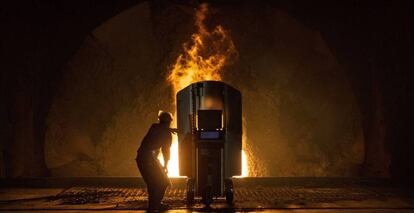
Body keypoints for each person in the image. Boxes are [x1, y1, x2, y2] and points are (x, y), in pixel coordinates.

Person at [136, 111, 173, 212]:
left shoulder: (154, 128)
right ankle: (154, 206)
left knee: (153, 184)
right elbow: (166, 151)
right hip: (148, 159)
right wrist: (165, 165)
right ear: (170, 122)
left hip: (142, 158)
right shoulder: (165, 132)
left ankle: (154, 205)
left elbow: (158, 129)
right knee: (163, 182)